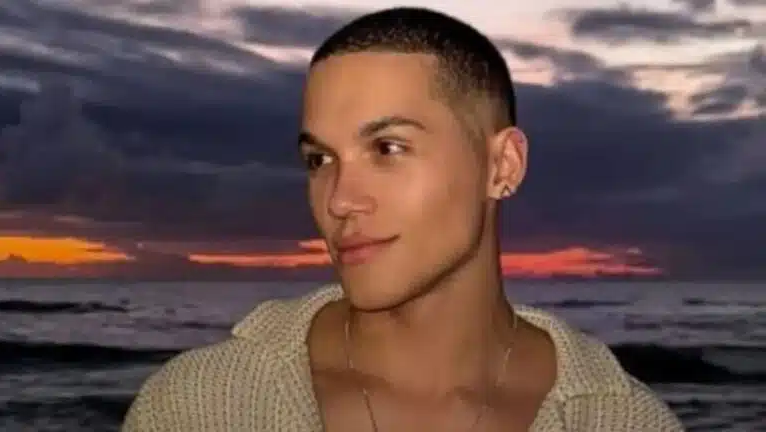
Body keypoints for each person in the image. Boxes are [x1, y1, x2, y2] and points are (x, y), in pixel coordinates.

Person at [122, 7, 685, 432]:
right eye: (319, 160)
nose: (340, 200)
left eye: (387, 148)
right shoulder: (202, 406)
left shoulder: (620, 421)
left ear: (502, 166)